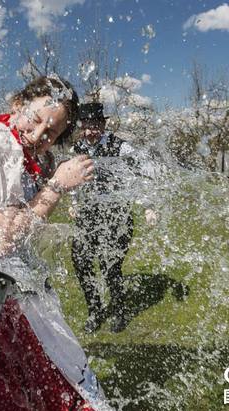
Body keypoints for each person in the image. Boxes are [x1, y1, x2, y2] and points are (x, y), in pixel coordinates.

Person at [0, 77, 127, 411]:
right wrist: (56, 186)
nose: (40, 133)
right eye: (37, 118)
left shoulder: (13, 145)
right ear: (18, 105)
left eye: (52, 132)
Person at [70, 102, 134, 333]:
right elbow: (75, 178)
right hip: (88, 214)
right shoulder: (77, 148)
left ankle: (119, 311)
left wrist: (147, 206)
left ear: (103, 125)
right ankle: (95, 311)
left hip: (116, 214)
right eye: (86, 126)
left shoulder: (121, 147)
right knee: (81, 261)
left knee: (110, 267)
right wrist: (75, 203)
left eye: (95, 126)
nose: (90, 132)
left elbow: (136, 175)